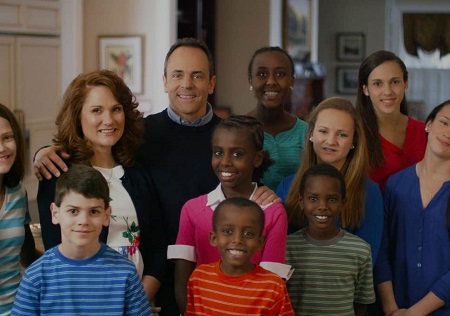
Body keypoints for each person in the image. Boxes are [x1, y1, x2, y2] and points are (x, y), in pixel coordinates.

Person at [32, 38, 279, 316]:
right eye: (177, 75)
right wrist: (43, 153)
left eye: (197, 75)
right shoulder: (142, 137)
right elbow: (57, 256)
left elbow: (249, 185)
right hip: (118, 296)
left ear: (211, 83)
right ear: (164, 81)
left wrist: (137, 302)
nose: (186, 84)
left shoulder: (230, 138)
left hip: (208, 274)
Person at [35, 69, 165, 311]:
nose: (109, 120)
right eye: (96, 110)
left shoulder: (138, 173)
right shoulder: (57, 174)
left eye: (116, 109)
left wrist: (139, 302)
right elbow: (58, 255)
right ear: (77, 118)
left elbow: (158, 248)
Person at [167, 115, 290, 313]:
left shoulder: (273, 213)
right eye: (218, 152)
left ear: (257, 158)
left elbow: (272, 286)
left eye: (237, 154)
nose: (225, 162)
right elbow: (182, 280)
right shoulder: (192, 209)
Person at [12, 165, 151, 315]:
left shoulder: (126, 273)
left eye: (93, 211)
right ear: (55, 213)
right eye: (73, 211)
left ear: (106, 215)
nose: (83, 220)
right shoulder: (36, 276)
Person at [277, 97, 383, 265]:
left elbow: (367, 259)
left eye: (342, 134)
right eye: (323, 131)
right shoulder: (288, 186)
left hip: (344, 287)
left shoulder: (369, 192)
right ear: (311, 134)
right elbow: (279, 250)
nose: (331, 141)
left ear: (354, 141)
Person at [374, 100, 450, 316]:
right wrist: (391, 308)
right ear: (428, 124)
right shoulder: (395, 184)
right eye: (444, 123)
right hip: (394, 307)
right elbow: (381, 250)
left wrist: (414, 313)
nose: (448, 133)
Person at [286, 163, 375, 315]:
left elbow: (361, 304)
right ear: (301, 201)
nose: (322, 206)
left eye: (332, 199)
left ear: (343, 203)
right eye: (313, 198)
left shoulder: (360, 250)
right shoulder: (287, 247)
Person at [185, 197, 294, 315]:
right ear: (214, 238)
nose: (237, 240)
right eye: (228, 231)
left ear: (260, 242)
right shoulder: (198, 278)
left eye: (248, 233)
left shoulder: (274, 286)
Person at [356, 50, 427, 190]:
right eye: (377, 84)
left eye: (395, 82)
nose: (387, 91)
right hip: (374, 211)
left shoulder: (426, 132)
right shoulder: (355, 135)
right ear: (365, 89)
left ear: (405, 84)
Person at [247, 46, 308, 191]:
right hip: (250, 211)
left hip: (296, 211)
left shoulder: (306, 132)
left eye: (280, 74)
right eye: (262, 74)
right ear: (250, 80)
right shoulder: (236, 130)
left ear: (292, 81)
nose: (271, 81)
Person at [0, 103, 41, 315]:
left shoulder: (17, 194)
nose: (2, 148)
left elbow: (27, 255)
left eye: (7, 137)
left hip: (18, 310)